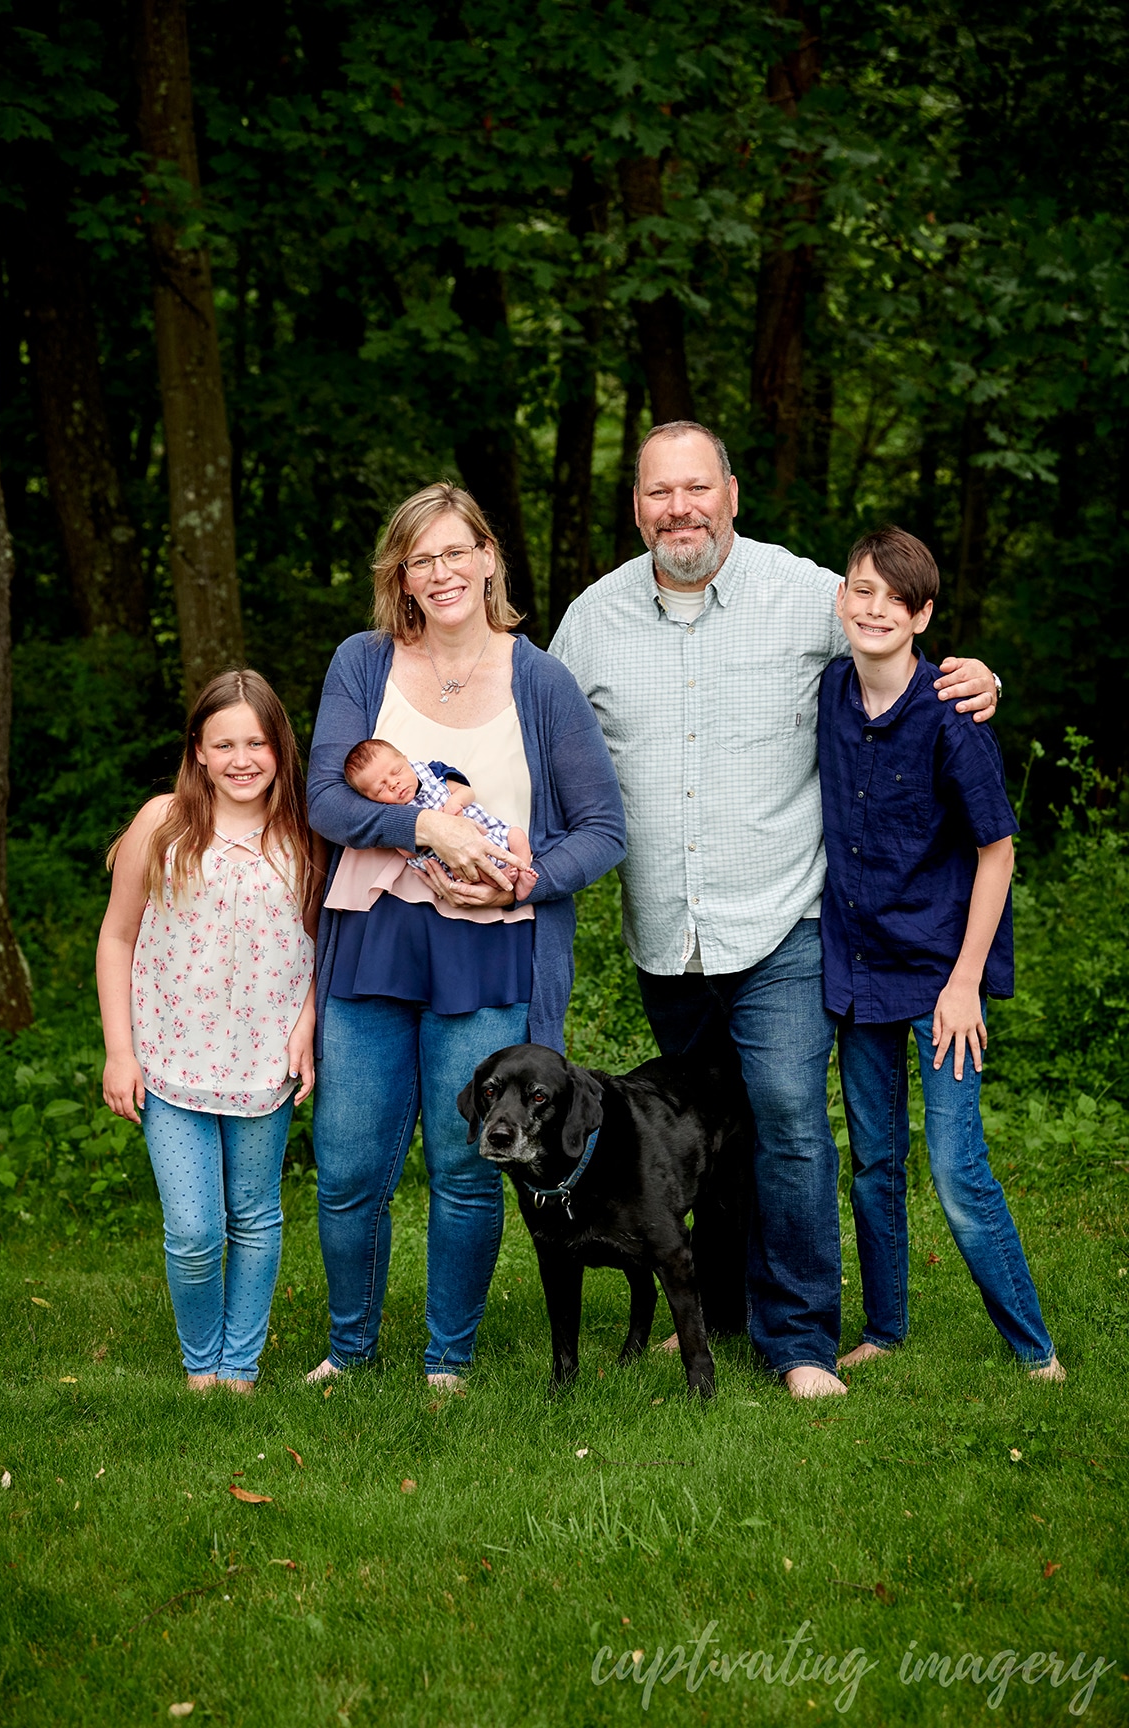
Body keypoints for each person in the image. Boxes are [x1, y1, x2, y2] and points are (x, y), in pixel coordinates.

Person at [549, 419, 999, 1398]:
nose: (680, 509)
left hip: (785, 919)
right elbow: (537, 736)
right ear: (637, 507)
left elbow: (897, 651)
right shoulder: (591, 622)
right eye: (660, 492)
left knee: (791, 1115)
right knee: (705, 1129)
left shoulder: (805, 596)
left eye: (697, 488)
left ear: (732, 494)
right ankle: (718, 1305)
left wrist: (973, 676)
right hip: (668, 934)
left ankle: (798, 1341)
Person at [305, 481, 625, 1389]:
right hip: (375, 942)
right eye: (422, 558)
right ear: (401, 577)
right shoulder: (362, 665)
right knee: (350, 1165)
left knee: (468, 1163)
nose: (442, 571)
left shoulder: (541, 680)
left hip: (491, 951)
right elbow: (326, 798)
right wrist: (425, 828)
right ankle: (350, 1349)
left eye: (458, 551)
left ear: (488, 558)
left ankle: (448, 1359)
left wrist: (525, 881)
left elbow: (602, 830)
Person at [819, 526, 1064, 1380]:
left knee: (957, 1170)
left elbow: (997, 850)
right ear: (841, 600)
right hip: (856, 967)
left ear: (923, 614)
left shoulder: (954, 718)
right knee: (875, 1163)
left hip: (940, 975)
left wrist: (964, 985)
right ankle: (885, 1330)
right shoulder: (828, 694)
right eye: (860, 589)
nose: (873, 606)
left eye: (894, 596)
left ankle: (1035, 1352)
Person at [96, 669, 318, 1394]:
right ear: (197, 750)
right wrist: (120, 1052)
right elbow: (117, 938)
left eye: (256, 742)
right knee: (195, 1232)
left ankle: (240, 1369)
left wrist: (307, 1025)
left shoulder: (306, 833)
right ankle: (202, 1368)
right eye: (224, 743)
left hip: (263, 1062)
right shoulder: (162, 822)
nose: (242, 758)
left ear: (280, 749)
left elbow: (331, 943)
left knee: (254, 1217)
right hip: (170, 1059)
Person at [341, 736, 538, 899]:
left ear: (405, 759)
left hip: (489, 833)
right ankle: (501, 880)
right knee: (470, 871)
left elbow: (467, 792)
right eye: (381, 788)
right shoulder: (391, 813)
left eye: (396, 771)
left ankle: (523, 871)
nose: (394, 784)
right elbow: (407, 852)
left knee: (516, 834)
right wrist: (432, 834)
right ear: (370, 799)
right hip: (456, 860)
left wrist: (456, 802)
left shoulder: (432, 772)